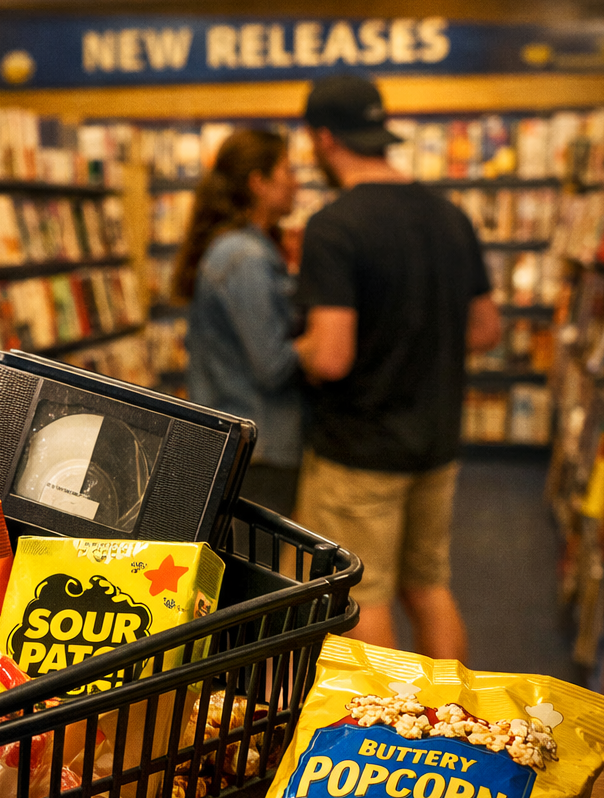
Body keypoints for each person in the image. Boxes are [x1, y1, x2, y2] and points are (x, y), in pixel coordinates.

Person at [293, 75, 502, 658]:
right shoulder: (450, 216)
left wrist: (297, 349)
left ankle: (387, 740)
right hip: (437, 442)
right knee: (429, 587)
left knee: (363, 598)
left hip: (361, 448)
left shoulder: (334, 226)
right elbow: (486, 329)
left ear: (324, 138)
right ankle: (452, 728)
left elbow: (332, 356)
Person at [173, 127, 302, 516]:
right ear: (258, 183)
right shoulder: (245, 257)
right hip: (258, 448)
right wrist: (313, 347)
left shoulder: (244, 248)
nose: (297, 182)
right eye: (288, 171)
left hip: (244, 442)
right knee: (255, 569)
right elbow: (271, 365)